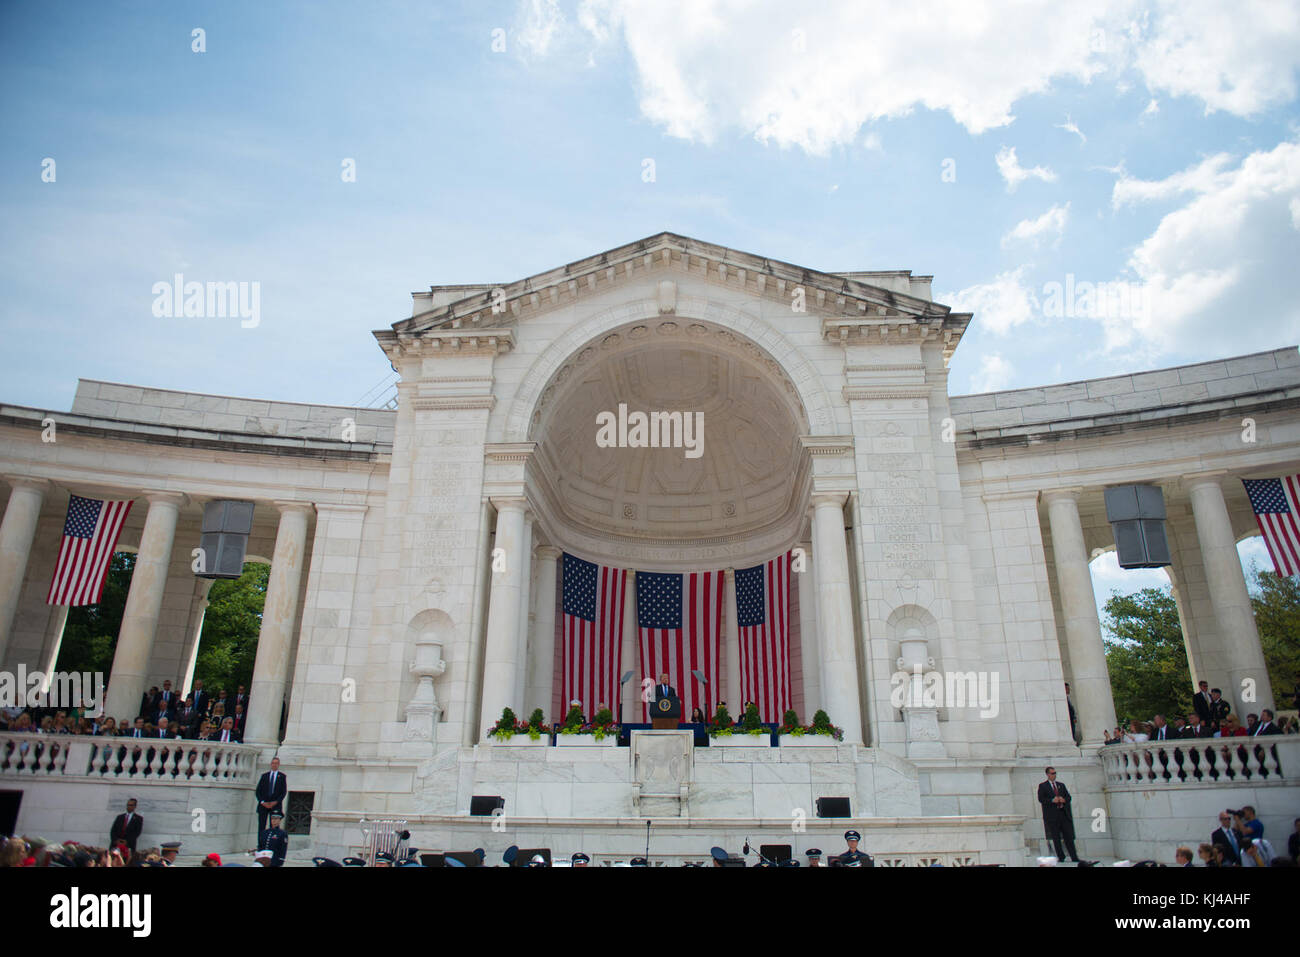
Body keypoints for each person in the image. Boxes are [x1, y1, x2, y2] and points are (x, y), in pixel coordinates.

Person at [1037, 767, 1080, 864]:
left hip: (1063, 814)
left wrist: (1063, 800)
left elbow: (1068, 797)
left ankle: (1074, 856)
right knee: (1056, 838)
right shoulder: (1043, 786)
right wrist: (1052, 800)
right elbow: (1041, 799)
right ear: (1047, 774)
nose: (1054, 775)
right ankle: (1061, 856)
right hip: (1052, 816)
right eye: (1052, 773)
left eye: (1055, 773)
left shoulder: (1061, 785)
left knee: (1068, 836)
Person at [256, 757, 288, 833]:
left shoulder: (282, 776)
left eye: (276, 763)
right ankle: (261, 844)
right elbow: (258, 791)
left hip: (275, 805)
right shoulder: (264, 776)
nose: (274, 765)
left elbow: (283, 792)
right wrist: (262, 802)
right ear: (271, 764)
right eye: (273, 763)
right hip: (264, 805)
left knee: (274, 825)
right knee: (261, 826)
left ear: (279, 764)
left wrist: (276, 801)